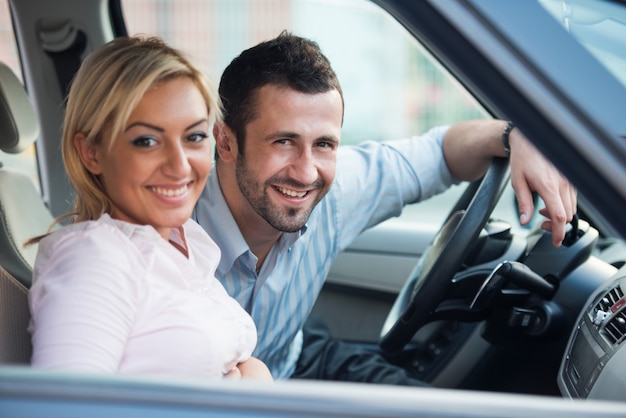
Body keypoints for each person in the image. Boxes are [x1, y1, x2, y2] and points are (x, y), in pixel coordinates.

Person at [193, 31, 576, 384]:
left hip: (298, 361)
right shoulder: (166, 235)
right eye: (283, 142)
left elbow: (443, 152)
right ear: (225, 143)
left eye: (324, 144)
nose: (306, 172)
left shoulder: (339, 192)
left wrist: (517, 136)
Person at [27, 36, 272, 381]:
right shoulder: (94, 257)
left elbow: (243, 364)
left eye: (195, 137)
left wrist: (252, 376)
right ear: (91, 153)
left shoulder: (186, 240)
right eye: (146, 141)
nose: (179, 165)